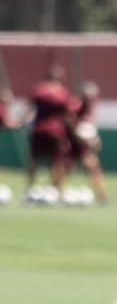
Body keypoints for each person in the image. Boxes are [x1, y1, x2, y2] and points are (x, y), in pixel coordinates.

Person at [26, 64, 73, 201]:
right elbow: (67, 115)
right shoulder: (62, 92)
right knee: (58, 162)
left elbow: (29, 109)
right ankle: (58, 192)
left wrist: (22, 122)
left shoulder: (39, 90)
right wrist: (75, 132)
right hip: (56, 132)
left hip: (39, 130)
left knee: (34, 161)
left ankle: (28, 189)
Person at [66, 81, 108, 204]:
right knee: (67, 168)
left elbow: (90, 127)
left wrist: (94, 138)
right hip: (74, 143)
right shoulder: (76, 106)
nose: (92, 100)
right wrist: (79, 137)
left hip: (83, 144)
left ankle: (102, 196)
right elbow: (70, 123)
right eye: (89, 97)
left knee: (92, 167)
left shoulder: (91, 109)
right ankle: (57, 192)